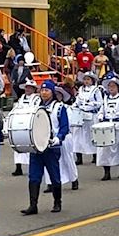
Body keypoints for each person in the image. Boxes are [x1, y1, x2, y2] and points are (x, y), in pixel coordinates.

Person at [21, 80, 69, 215]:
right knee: (34, 176)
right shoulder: (35, 106)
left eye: (47, 90)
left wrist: (59, 138)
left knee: (54, 175)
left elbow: (64, 126)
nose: (44, 93)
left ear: (52, 92)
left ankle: (57, 202)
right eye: (42, 90)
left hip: (51, 147)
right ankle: (33, 205)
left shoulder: (59, 107)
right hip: (36, 146)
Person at [94, 78, 119, 181]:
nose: (111, 88)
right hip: (107, 124)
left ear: (118, 88)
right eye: (109, 86)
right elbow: (101, 110)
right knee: (105, 148)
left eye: (113, 86)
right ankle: (107, 172)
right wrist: (100, 115)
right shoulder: (105, 99)